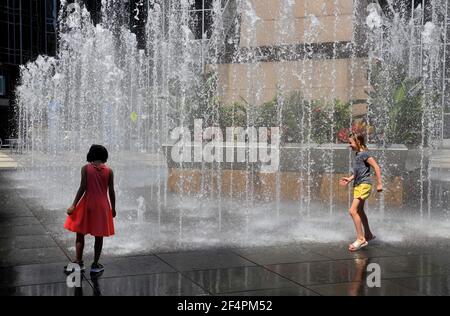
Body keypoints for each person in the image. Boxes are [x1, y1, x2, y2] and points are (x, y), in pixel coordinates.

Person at [64, 144, 116, 273]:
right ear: (104, 156)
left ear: (91, 155)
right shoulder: (109, 171)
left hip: (87, 204)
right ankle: (95, 264)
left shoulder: (85, 169)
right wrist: (113, 208)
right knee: (99, 236)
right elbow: (111, 191)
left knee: (80, 234)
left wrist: (74, 204)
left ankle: (79, 262)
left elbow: (82, 188)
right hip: (102, 206)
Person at [339, 132, 382, 252]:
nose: (349, 145)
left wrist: (379, 183)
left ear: (358, 142)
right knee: (360, 211)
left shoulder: (365, 154)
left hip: (364, 185)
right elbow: (358, 171)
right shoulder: (358, 154)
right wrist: (350, 178)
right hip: (358, 184)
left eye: (350, 143)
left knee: (352, 211)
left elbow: (376, 167)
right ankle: (368, 234)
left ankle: (361, 238)